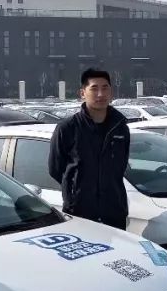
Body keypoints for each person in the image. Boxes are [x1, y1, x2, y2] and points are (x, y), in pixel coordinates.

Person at [48, 68, 130, 229]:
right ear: (82, 93)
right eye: (94, 88)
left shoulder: (120, 128)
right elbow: (55, 169)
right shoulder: (67, 128)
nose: (100, 94)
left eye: (105, 88)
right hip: (79, 213)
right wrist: (76, 190)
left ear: (111, 92)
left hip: (114, 213)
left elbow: (121, 166)